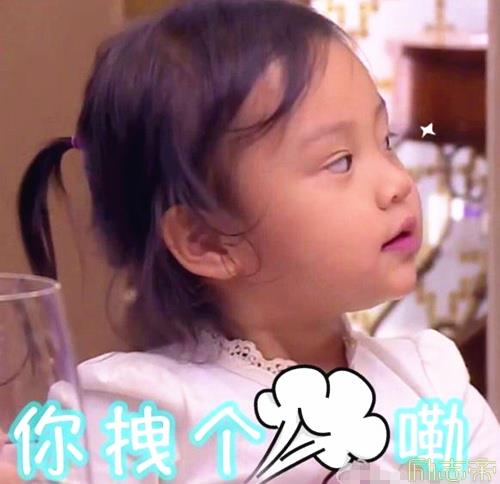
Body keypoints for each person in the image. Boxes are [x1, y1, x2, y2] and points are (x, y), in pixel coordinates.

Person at [6, 0, 500, 482]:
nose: (398, 184)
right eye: (340, 162)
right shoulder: (136, 413)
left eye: (385, 141)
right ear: (208, 240)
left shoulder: (429, 384)